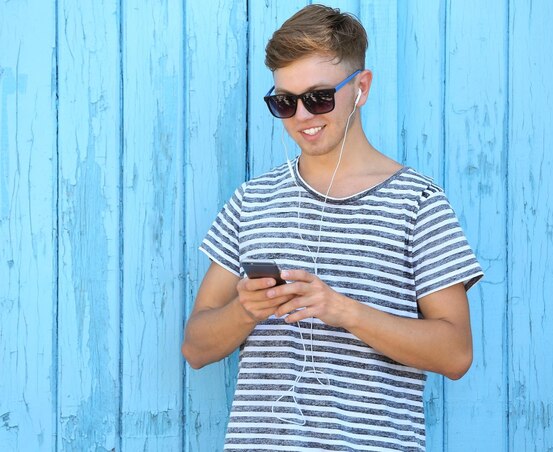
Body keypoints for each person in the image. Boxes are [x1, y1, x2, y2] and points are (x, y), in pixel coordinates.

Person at [182, 4, 483, 451]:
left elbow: (456, 353)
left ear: (360, 88)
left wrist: (341, 309)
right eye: (284, 101)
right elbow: (196, 348)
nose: (302, 116)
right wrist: (246, 310)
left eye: (319, 96)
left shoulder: (418, 203)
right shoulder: (252, 200)